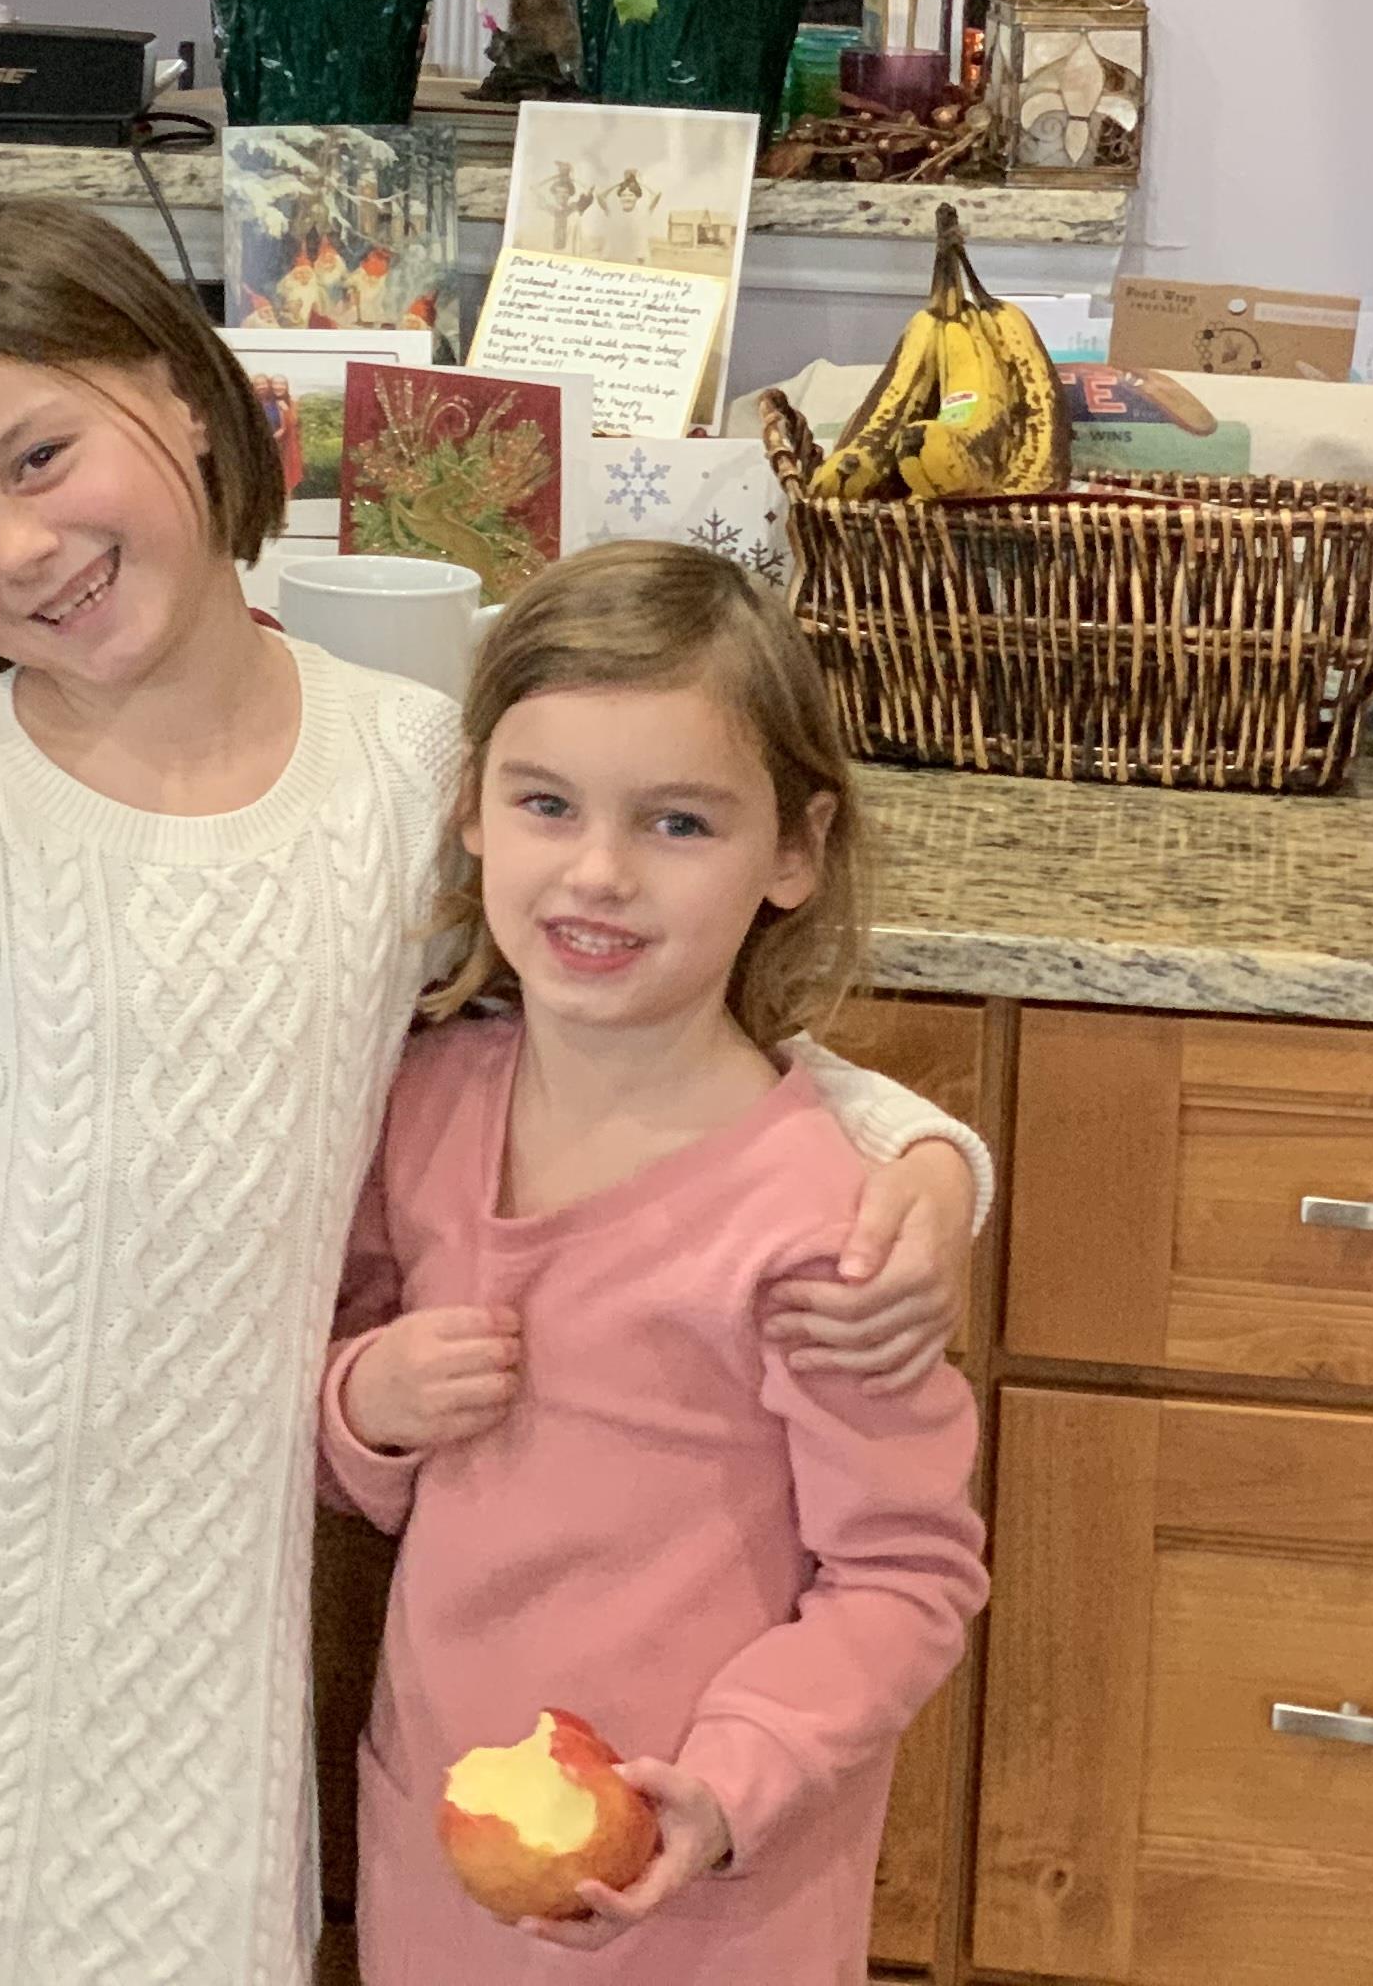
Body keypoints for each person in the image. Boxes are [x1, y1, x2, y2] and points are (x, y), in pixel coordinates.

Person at [0, 202, 987, 1986]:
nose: (15, 547)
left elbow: (640, 1034)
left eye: (42, 455)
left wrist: (931, 1160)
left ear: (183, 396)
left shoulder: (410, 777)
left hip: (218, 1549)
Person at [326, 542, 986, 1977]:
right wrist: (364, 1405)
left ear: (794, 852)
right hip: (441, 1864)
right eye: (547, 803)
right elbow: (328, 1402)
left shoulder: (823, 1227)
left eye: (678, 822)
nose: (601, 872)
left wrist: (735, 1785)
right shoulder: (425, 1105)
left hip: (708, 1900)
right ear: (474, 811)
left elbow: (907, 1573)